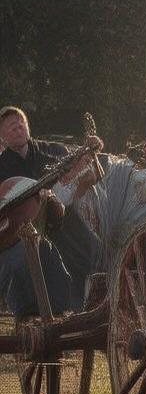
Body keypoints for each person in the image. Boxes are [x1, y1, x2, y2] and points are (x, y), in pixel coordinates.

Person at [0, 106, 103, 314]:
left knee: (90, 245)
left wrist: (89, 151)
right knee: (23, 259)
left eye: (21, 124)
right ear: (2, 138)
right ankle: (34, 310)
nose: (18, 128)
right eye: (12, 127)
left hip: (59, 218)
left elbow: (86, 174)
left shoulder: (52, 150)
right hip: (19, 229)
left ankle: (82, 308)